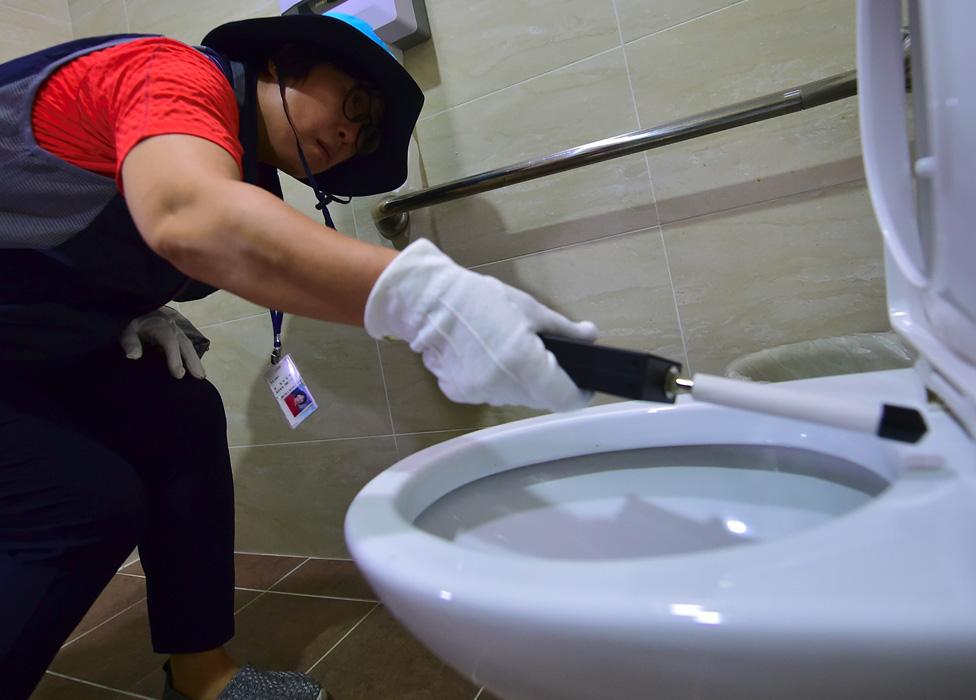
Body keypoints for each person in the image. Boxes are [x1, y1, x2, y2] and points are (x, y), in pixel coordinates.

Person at [0, 12, 597, 700]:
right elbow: (188, 216)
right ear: (286, 63)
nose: (351, 134)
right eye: (354, 105)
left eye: (366, 133)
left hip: (27, 348)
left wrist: (136, 307)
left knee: (182, 412)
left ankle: (202, 678)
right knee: (77, 504)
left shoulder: (237, 168)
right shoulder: (172, 75)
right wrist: (432, 302)